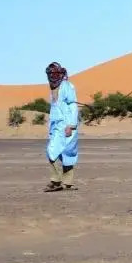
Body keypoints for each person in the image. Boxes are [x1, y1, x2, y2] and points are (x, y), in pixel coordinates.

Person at [44, 61, 79, 192]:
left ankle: (60, 182)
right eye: (50, 74)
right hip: (56, 125)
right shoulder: (53, 88)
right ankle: (59, 181)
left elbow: (73, 106)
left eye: (54, 74)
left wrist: (71, 125)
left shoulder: (67, 86)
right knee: (54, 151)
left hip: (66, 124)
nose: (52, 76)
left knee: (67, 153)